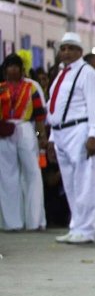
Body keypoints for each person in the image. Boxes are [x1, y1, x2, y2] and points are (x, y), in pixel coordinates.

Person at [47, 32, 95, 244]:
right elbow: (57, 108)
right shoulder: (62, 74)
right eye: (63, 48)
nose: (66, 52)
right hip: (61, 131)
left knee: (85, 182)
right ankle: (76, 226)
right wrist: (52, 136)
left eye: (71, 48)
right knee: (70, 184)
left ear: (80, 51)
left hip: (80, 129)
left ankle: (86, 230)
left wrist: (93, 135)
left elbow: (94, 105)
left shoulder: (87, 73)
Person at [0, 54, 47, 231]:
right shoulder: (0, 88)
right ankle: (13, 222)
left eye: (16, 66)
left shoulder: (31, 87)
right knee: (7, 177)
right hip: (4, 131)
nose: (13, 69)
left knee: (33, 173)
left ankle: (35, 220)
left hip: (26, 128)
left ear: (22, 69)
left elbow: (40, 115)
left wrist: (41, 135)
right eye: (9, 66)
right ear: (5, 70)